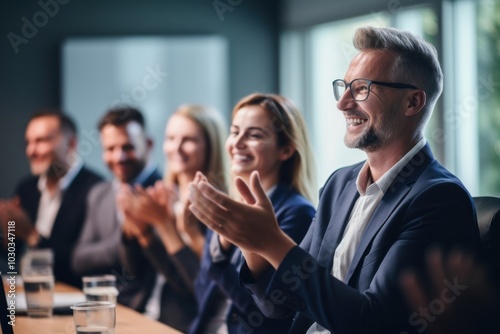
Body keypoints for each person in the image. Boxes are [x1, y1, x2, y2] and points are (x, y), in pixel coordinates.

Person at [188, 26, 481, 333]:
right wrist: (253, 246)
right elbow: (278, 306)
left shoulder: (439, 199)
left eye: (362, 89)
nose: (343, 103)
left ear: (412, 102)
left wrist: (270, 241)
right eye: (344, 87)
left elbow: (371, 321)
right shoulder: (339, 184)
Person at [188, 93, 317, 334]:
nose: (237, 143)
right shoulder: (225, 205)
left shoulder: (298, 213)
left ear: (286, 150)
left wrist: (221, 256)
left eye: (254, 135)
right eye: (235, 131)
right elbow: (202, 291)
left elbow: (267, 315)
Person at [117, 104, 228, 332]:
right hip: (146, 314)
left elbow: (200, 289)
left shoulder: (219, 208)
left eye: (188, 140)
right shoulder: (165, 194)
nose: (176, 148)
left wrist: (165, 228)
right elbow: (135, 273)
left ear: (210, 145)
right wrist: (138, 233)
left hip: (182, 325)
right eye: (170, 138)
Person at [71, 107, 162, 308]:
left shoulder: (163, 193)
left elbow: (147, 268)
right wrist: (125, 238)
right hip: (102, 309)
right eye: (110, 149)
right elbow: (79, 259)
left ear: (148, 144)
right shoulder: (99, 194)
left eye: (127, 147)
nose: (118, 157)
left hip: (147, 312)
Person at [0, 109, 102, 287]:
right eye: (28, 142)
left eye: (41, 141)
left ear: (70, 144)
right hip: (29, 293)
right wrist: (7, 231)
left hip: (73, 298)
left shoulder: (95, 190)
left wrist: (31, 234)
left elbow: (81, 264)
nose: (31, 151)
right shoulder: (27, 188)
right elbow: (11, 257)